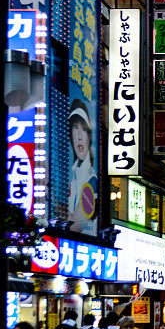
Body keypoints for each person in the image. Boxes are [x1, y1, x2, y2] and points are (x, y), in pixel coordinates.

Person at [67, 100, 98, 235]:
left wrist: (52, 200)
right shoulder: (74, 173)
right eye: (75, 127)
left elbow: (75, 227)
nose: (79, 136)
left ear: (89, 136)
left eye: (84, 129)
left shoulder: (92, 180)